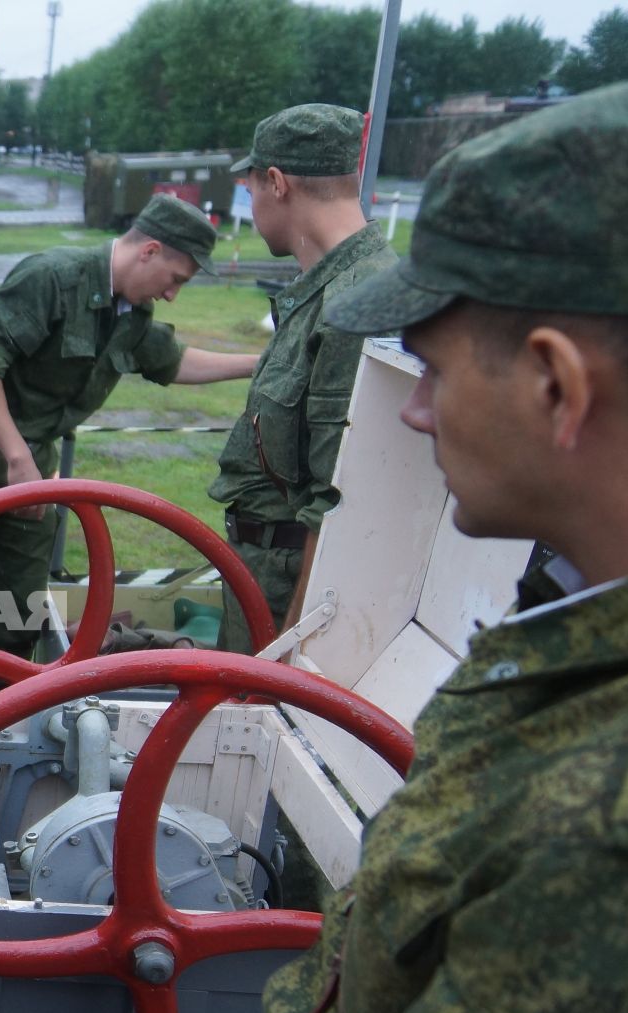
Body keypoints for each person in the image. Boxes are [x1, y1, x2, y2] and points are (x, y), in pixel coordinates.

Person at [263, 81, 628, 1013]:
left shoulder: (598, 839)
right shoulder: (573, 640)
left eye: (428, 368)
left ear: (555, 384)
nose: (413, 411)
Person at [0, 194, 259, 760]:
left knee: (23, 601)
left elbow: (173, 361)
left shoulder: (129, 313)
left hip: (31, 469)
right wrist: (16, 458)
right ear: (149, 249)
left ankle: (0, 708)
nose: (173, 293)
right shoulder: (51, 280)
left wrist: (260, 363)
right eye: (174, 277)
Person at [211, 104, 399, 653]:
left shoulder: (356, 304)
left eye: (250, 191)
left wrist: (292, 647)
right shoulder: (331, 289)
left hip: (289, 598)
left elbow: (338, 497)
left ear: (276, 182)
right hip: (265, 578)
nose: (253, 205)